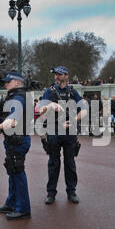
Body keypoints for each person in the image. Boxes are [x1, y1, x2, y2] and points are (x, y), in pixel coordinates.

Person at [0, 72, 32, 220]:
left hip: (18, 139)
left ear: (18, 83)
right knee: (12, 172)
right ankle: (12, 203)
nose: (5, 84)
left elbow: (12, 121)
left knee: (17, 173)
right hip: (14, 139)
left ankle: (23, 209)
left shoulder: (18, 97)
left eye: (8, 82)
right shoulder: (17, 96)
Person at [39, 66, 88, 204]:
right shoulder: (49, 92)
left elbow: (84, 110)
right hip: (53, 130)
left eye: (59, 74)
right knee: (53, 163)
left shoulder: (73, 92)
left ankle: (71, 192)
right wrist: (50, 106)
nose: (56, 77)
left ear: (66, 76)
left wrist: (74, 120)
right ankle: (51, 193)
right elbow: (40, 110)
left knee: (70, 163)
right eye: (55, 75)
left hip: (70, 131)